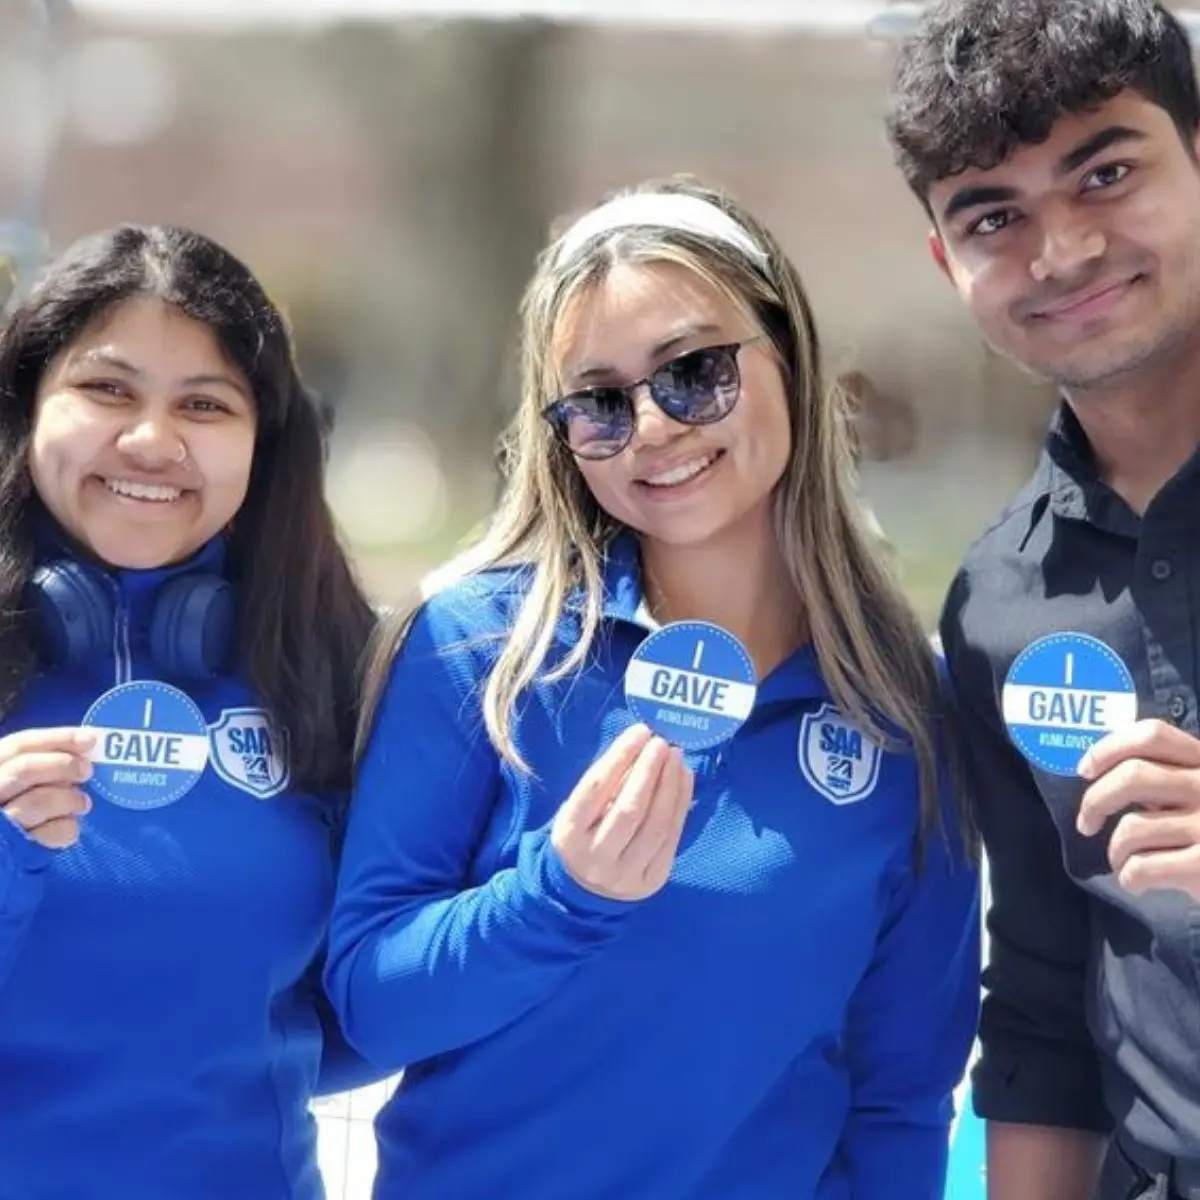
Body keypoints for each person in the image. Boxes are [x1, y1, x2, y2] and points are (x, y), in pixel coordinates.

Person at [325, 176, 980, 1199]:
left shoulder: (904, 707)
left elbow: (901, 1096)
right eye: (598, 403)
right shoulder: (480, 648)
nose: (652, 426)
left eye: (695, 372)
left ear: (791, 358)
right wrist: (556, 899)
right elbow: (368, 1007)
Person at [886, 3, 1200, 1198]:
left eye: (1106, 174)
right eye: (993, 217)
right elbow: (1042, 1005)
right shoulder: (998, 603)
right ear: (945, 262)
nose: (1061, 253)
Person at [0, 224, 380, 1198]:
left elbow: (372, 1006)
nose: (151, 441)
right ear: (27, 408)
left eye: (205, 404)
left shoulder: (338, 667)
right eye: (107, 389)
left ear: (266, 444)